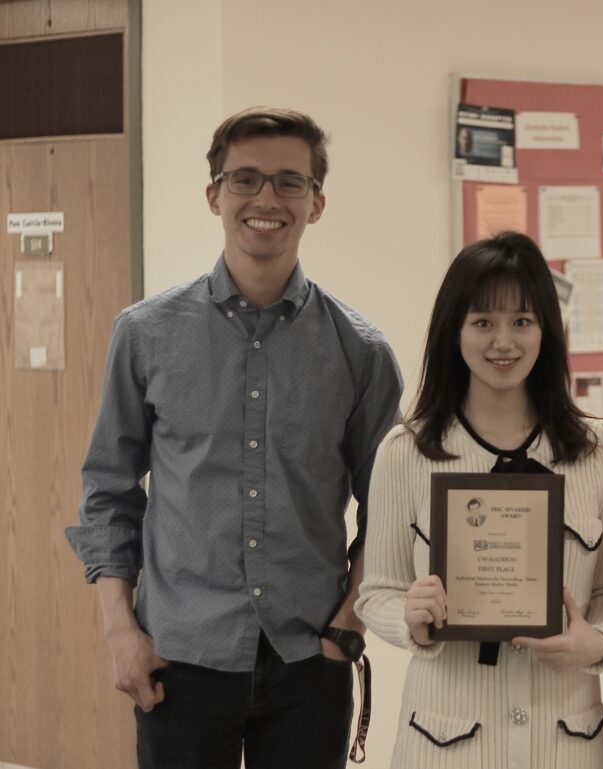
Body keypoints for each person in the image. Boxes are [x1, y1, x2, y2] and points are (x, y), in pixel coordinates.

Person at [66, 107, 403, 769]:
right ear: (214, 194)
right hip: (179, 657)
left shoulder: (361, 352)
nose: (266, 199)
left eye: (289, 181)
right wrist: (119, 630)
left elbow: (389, 510)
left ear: (317, 202)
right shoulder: (145, 334)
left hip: (311, 659)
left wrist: (348, 626)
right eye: (245, 179)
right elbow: (107, 491)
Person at [356, 231, 603, 768]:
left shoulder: (600, 451)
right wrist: (411, 618)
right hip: (445, 744)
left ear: (546, 332)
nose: (503, 342)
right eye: (483, 322)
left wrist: (597, 643)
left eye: (522, 322)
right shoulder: (407, 451)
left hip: (566, 742)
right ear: (454, 332)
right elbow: (376, 594)